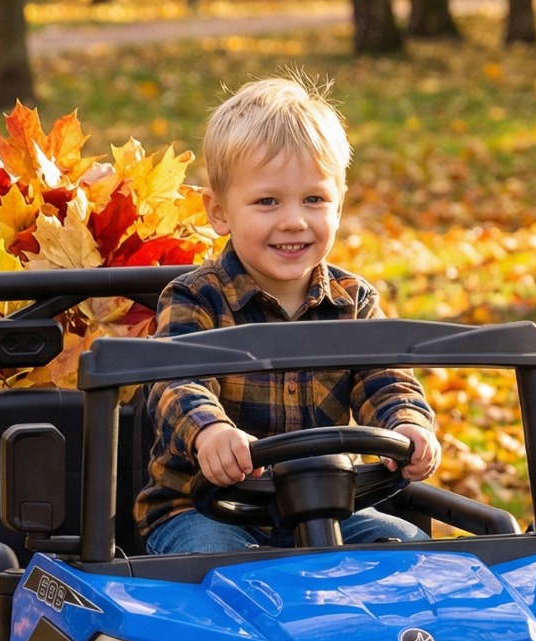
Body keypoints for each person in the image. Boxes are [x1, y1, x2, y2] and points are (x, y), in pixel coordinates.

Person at [135, 73, 442, 555]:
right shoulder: (196, 298)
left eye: (314, 199)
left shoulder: (352, 301)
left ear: (339, 206)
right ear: (218, 211)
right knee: (221, 567)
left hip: (331, 506)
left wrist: (407, 424)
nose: (294, 221)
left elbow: (385, 378)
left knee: (409, 551)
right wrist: (210, 431)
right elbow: (175, 383)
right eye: (267, 201)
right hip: (208, 510)